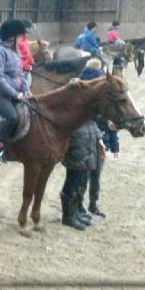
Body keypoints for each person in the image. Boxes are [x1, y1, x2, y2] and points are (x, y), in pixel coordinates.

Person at [61, 58, 107, 229]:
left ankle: (77, 210)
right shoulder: (77, 95)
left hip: (87, 138)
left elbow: (92, 122)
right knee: (73, 179)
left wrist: (98, 137)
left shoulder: (88, 97)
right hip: (78, 141)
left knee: (81, 179)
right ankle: (68, 215)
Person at [0, 20, 30, 166]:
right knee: (13, 117)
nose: (22, 40)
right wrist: (15, 94)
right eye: (20, 36)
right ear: (13, 37)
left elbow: (19, 75)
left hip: (13, 93)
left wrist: (26, 89)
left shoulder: (14, 53)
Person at [19, 20, 35, 89]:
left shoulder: (25, 40)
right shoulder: (20, 41)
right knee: (25, 86)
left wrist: (32, 62)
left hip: (26, 67)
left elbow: (29, 54)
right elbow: (21, 57)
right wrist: (27, 67)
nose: (30, 32)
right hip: (20, 69)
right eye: (29, 29)